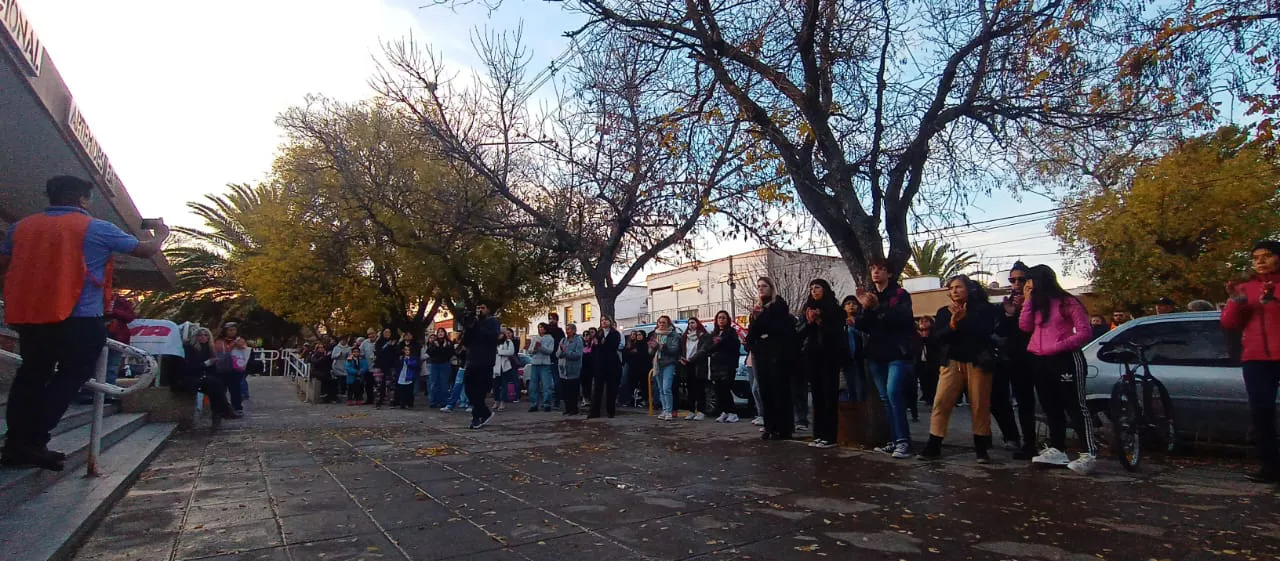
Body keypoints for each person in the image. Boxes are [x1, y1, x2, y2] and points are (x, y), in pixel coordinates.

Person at [1020, 264, 1098, 475]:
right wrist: (1027, 301)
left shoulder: (1067, 302)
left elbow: (1084, 332)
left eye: (1030, 281)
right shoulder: (1037, 304)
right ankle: (1058, 448)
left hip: (1065, 358)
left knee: (1075, 405)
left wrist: (1058, 346)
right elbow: (1025, 326)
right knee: (1050, 405)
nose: (1027, 285)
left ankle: (1089, 452)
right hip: (1040, 359)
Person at [918, 276, 1001, 463]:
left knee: (979, 405)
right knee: (941, 402)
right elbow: (937, 337)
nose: (954, 291)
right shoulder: (944, 312)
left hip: (977, 362)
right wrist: (953, 323)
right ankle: (934, 444)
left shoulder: (984, 310)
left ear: (969, 289)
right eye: (951, 288)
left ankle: (981, 448)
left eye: (958, 287)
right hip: (952, 362)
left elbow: (984, 333)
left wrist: (964, 319)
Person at [1222, 239, 1280, 482]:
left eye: (1267, 256)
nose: (1261, 261)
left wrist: (1274, 300)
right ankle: (1270, 466)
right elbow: (1229, 323)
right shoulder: (1246, 288)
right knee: (1261, 412)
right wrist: (1237, 302)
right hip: (1256, 358)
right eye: (1256, 258)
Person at [857, 259, 916, 459]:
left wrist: (877, 308)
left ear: (889, 274)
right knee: (886, 398)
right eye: (873, 269)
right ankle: (895, 439)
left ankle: (904, 441)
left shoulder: (899, 294)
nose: (876, 272)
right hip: (877, 353)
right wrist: (865, 309)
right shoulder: (870, 296)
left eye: (881, 269)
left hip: (897, 352)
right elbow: (862, 325)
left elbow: (903, 319)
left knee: (893, 393)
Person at [799, 279, 849, 449]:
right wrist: (810, 322)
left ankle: (830, 436)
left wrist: (820, 321)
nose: (814, 291)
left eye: (817, 287)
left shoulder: (834, 310)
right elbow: (801, 332)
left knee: (829, 396)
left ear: (825, 289)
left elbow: (836, 333)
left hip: (830, 356)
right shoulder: (808, 309)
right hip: (813, 356)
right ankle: (818, 434)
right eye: (811, 288)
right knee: (817, 396)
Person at [746, 277, 798, 440]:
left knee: (779, 391)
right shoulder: (758, 309)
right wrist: (755, 341)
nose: (761, 289)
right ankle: (769, 425)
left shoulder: (778, 306)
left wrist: (762, 326)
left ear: (771, 288)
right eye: (759, 286)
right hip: (761, 354)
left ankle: (783, 428)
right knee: (765, 390)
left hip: (777, 354)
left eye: (764, 286)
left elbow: (776, 328)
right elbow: (752, 332)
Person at [997, 262, 1039, 460]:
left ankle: (1057, 444)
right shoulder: (1009, 303)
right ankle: (1029, 443)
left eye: (1020, 279)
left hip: (1039, 356)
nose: (1016, 284)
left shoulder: (1040, 301)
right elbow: (1002, 332)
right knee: (1023, 403)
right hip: (1017, 358)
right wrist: (1009, 314)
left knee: (1049, 401)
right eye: (1012, 280)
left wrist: (1027, 306)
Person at [177, 328, 236, 428]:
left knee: (216, 385)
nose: (203, 337)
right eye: (200, 335)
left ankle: (218, 414)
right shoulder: (190, 348)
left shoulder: (209, 348)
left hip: (204, 377)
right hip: (190, 377)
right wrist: (207, 363)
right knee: (214, 384)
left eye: (206, 335)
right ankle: (225, 411)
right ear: (196, 337)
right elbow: (190, 368)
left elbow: (212, 370)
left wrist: (215, 365)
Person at [462, 303, 500, 429]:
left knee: (479, 391)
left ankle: (476, 417)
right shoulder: (475, 323)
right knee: (468, 389)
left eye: (482, 308)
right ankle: (485, 413)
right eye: (478, 308)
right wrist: (469, 327)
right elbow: (466, 342)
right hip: (472, 360)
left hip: (485, 361)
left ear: (488, 309)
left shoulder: (492, 322)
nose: (480, 310)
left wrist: (476, 326)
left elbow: (492, 337)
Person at [708, 311, 742, 423]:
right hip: (716, 365)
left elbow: (735, 346)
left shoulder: (731, 332)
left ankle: (733, 412)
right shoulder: (714, 333)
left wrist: (721, 342)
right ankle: (724, 411)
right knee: (718, 390)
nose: (721, 320)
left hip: (727, 365)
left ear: (727, 320)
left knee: (726, 389)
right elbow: (709, 348)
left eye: (723, 318)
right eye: (719, 318)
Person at [678, 317, 712, 421]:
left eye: (693, 322)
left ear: (697, 323)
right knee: (690, 389)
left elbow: (704, 350)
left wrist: (692, 359)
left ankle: (701, 411)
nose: (691, 325)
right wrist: (682, 358)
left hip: (699, 365)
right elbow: (681, 350)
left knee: (700, 389)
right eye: (689, 323)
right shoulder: (685, 337)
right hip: (687, 365)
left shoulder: (703, 335)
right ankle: (691, 411)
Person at [589, 317, 623, 419]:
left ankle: (610, 411)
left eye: (606, 320)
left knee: (611, 388)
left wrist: (601, 344)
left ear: (610, 322)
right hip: (600, 364)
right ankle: (594, 412)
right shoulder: (598, 333)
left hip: (611, 363)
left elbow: (612, 348)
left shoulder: (615, 334)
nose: (603, 322)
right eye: (602, 320)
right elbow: (594, 348)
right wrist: (597, 344)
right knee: (597, 388)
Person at [650, 315, 683, 420]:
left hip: (669, 363)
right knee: (660, 389)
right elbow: (650, 352)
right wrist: (652, 347)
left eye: (664, 322)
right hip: (657, 363)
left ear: (668, 323)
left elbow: (674, 350)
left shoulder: (674, 335)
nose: (661, 324)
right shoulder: (655, 334)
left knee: (666, 388)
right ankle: (664, 410)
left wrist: (662, 347)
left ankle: (669, 411)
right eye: (660, 322)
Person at [528, 323, 557, 412]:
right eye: (539, 327)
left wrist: (541, 347)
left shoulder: (550, 338)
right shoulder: (534, 338)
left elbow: (550, 351)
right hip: (535, 363)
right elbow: (530, 350)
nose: (541, 329)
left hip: (545, 364)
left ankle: (547, 404)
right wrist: (534, 350)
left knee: (546, 385)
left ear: (545, 329)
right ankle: (534, 404)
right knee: (533, 385)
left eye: (542, 327)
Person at [559, 324, 585, 416]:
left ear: (574, 330)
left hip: (573, 369)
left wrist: (566, 351)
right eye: (566, 329)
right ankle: (567, 408)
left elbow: (578, 355)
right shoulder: (563, 340)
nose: (567, 331)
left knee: (573, 391)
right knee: (565, 391)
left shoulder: (578, 340)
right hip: (563, 370)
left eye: (569, 329)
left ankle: (574, 409)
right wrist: (561, 351)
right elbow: (558, 354)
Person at [621, 331, 652, 407]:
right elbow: (627, 354)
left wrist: (634, 352)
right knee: (632, 384)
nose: (638, 336)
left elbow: (645, 355)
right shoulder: (634, 344)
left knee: (644, 385)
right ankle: (632, 400)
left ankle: (645, 400)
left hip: (644, 368)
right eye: (637, 335)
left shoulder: (646, 344)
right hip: (634, 368)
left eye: (640, 335)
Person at [425, 329, 454, 408]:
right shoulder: (434, 343)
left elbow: (450, 354)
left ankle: (444, 401)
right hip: (434, 364)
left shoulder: (448, 343)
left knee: (444, 383)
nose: (440, 333)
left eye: (442, 332)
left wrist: (444, 347)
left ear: (445, 333)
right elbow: (429, 353)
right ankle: (434, 401)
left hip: (445, 364)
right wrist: (436, 346)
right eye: (439, 332)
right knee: (434, 383)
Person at [493, 328, 519, 411]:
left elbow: (511, 352)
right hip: (496, 367)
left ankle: (502, 402)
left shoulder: (508, 342)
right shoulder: (494, 343)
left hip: (505, 367)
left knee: (504, 385)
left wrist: (500, 352)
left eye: (501, 334)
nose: (500, 335)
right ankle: (496, 401)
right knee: (495, 386)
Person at [373, 328, 399, 408]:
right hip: (379, 365)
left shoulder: (394, 343)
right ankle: (378, 401)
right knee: (378, 384)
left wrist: (392, 346)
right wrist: (387, 345)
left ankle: (391, 401)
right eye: (386, 332)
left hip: (391, 366)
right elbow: (378, 352)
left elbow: (397, 354)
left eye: (389, 332)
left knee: (390, 384)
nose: (387, 333)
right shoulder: (378, 342)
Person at [546, 313, 567, 408]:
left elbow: (561, 344)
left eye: (553, 319)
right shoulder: (546, 331)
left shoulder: (559, 331)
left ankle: (557, 400)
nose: (551, 320)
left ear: (557, 320)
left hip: (555, 359)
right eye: (550, 319)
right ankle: (547, 401)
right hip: (545, 359)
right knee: (546, 382)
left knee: (556, 381)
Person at [394, 344, 420, 409]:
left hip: (409, 376)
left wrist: (407, 360)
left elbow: (413, 365)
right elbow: (398, 366)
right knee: (401, 390)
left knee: (408, 391)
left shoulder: (414, 358)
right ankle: (402, 402)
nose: (407, 351)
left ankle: (409, 403)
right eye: (405, 350)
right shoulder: (401, 357)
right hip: (401, 375)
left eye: (408, 350)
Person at [359, 329, 378, 404]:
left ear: (375, 334)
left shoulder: (379, 341)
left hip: (377, 367)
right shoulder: (365, 342)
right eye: (369, 334)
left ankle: (379, 400)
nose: (371, 335)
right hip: (368, 366)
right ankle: (370, 399)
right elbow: (360, 352)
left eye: (372, 333)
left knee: (378, 384)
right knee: (368, 384)